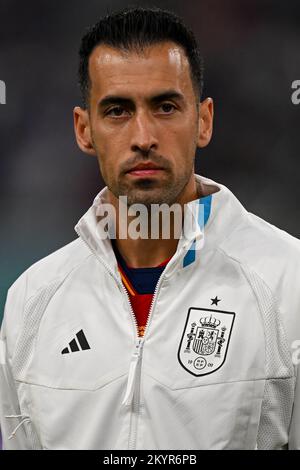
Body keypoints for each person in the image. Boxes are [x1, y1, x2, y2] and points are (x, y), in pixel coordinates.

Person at [0, 6, 299, 450]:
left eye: (165, 107)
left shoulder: (289, 282)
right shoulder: (31, 302)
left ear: (203, 120)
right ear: (84, 130)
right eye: (118, 110)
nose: (143, 136)